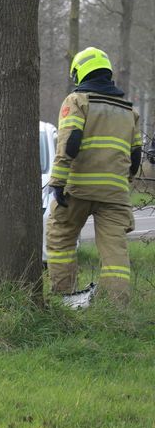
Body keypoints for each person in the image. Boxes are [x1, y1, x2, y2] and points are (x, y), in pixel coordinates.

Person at [46, 47, 142, 308]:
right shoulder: (129, 111)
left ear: (79, 73)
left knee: (61, 236)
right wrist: (124, 184)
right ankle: (116, 308)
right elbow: (135, 158)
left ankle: (64, 299)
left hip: (78, 188)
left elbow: (70, 143)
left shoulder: (77, 101)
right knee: (115, 251)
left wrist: (57, 182)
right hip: (115, 194)